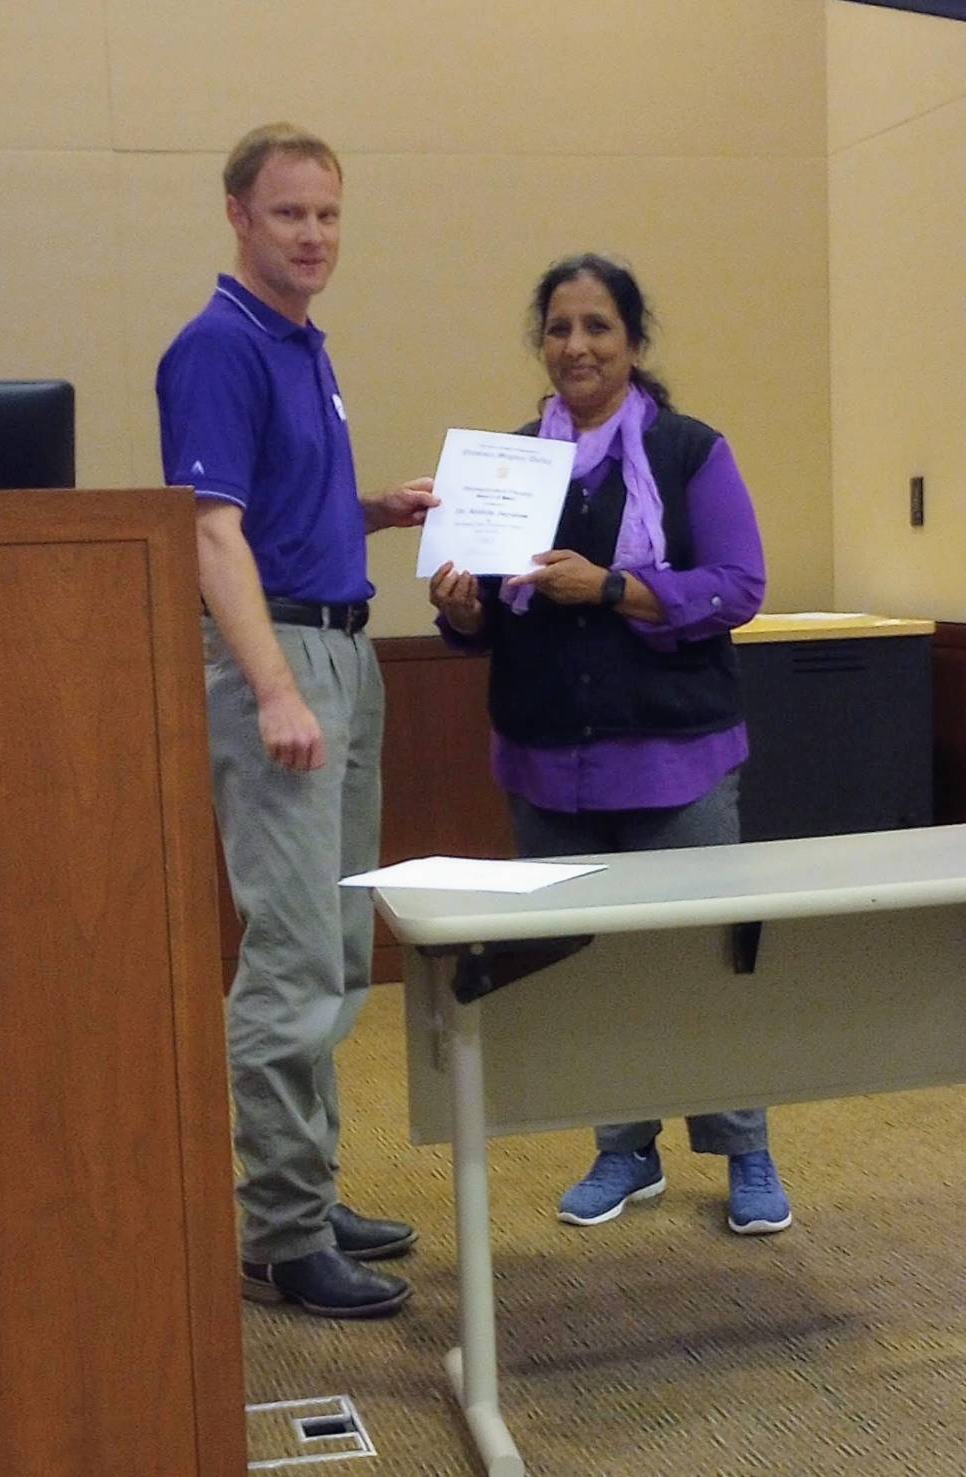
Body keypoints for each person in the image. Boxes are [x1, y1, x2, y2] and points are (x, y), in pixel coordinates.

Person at [429, 253, 791, 1237]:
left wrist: (617, 588)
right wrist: (459, 610)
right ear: (539, 344)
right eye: (558, 328)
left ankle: (744, 1145)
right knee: (585, 972)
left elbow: (738, 585)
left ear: (633, 342)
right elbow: (481, 623)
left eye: (596, 327)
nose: (575, 346)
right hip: (548, 765)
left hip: (676, 760)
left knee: (701, 963)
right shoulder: (503, 467)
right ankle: (622, 1149)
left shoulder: (687, 451)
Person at [156, 122, 438, 1317]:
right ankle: (279, 1235)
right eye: (288, 214)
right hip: (280, 659)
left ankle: (308, 1194)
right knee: (286, 954)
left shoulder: (302, 346)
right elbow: (211, 534)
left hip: (341, 643)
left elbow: (270, 510)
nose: (313, 235)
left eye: (327, 214)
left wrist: (374, 508)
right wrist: (272, 686)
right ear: (237, 214)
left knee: (334, 948)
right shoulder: (217, 347)